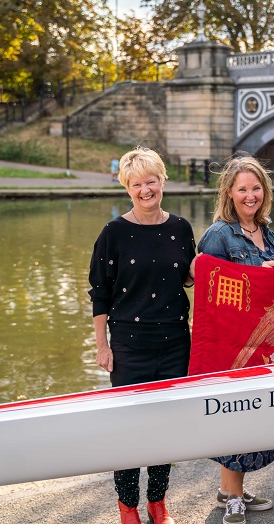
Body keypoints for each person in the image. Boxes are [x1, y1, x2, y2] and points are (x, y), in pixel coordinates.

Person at [88, 147, 196, 524]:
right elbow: (100, 292)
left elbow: (189, 276)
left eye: (152, 181)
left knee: (166, 428)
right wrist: (102, 346)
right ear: (127, 188)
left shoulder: (181, 229)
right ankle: (127, 506)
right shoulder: (114, 233)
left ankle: (157, 502)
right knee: (130, 431)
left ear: (163, 181)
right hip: (129, 346)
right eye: (137, 184)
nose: (145, 190)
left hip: (174, 342)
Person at [197, 154, 274, 524]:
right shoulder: (219, 235)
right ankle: (229, 496)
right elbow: (207, 288)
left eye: (256, 188)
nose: (250, 195)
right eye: (243, 189)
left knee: (256, 418)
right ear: (229, 192)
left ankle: (234, 489)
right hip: (232, 345)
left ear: (264, 191)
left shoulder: (270, 234)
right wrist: (254, 274)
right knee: (235, 416)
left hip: (264, 347)